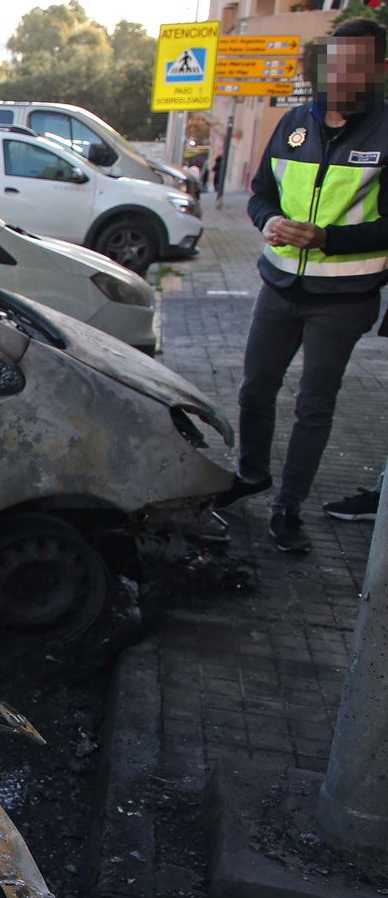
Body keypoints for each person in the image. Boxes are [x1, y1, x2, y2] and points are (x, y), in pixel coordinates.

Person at [217, 18, 388, 554]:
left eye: (354, 64)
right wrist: (267, 221)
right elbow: (260, 193)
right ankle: (251, 474)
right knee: (254, 390)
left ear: (379, 69)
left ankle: (288, 507)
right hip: (279, 285)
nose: (340, 74)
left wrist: (328, 239)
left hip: (344, 299)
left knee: (314, 406)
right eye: (333, 62)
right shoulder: (294, 122)